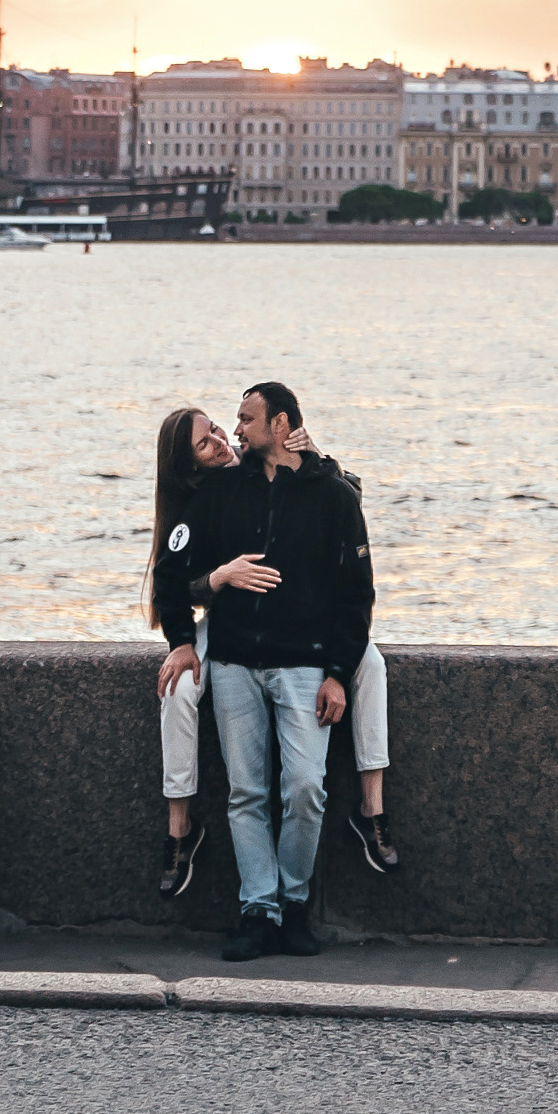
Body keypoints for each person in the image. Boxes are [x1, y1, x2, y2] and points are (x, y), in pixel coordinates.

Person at [153, 379, 375, 960]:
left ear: (280, 424)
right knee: (246, 792)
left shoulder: (332, 496)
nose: (235, 430)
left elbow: (357, 595)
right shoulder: (224, 490)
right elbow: (172, 572)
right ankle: (258, 910)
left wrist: (337, 672)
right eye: (231, 422)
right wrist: (182, 641)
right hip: (233, 662)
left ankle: (294, 904)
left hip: (304, 665)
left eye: (246, 419)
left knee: (305, 788)